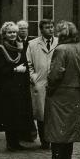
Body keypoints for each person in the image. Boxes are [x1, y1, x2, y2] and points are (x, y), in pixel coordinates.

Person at [43, 21, 80, 159]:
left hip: (60, 92)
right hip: (74, 92)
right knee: (69, 127)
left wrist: (50, 87)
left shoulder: (60, 49)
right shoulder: (78, 47)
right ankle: (67, 158)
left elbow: (56, 73)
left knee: (57, 126)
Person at [0, 21, 36, 151]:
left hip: (20, 86)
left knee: (19, 114)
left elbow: (25, 63)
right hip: (7, 87)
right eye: (9, 32)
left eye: (14, 32)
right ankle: (10, 142)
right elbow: (0, 68)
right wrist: (15, 70)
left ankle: (16, 141)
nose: (12, 35)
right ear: (4, 34)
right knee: (9, 115)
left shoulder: (19, 47)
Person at [26, 19, 58, 150]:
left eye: (52, 27)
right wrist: (33, 77)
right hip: (39, 82)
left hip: (55, 83)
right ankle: (45, 141)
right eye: (47, 27)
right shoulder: (33, 44)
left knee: (54, 113)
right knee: (41, 113)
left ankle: (53, 139)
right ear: (41, 29)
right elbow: (29, 64)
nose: (50, 29)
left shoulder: (59, 42)